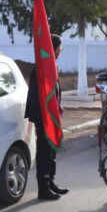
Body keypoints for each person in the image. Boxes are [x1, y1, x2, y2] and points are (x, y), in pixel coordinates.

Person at [25, 34, 69, 200]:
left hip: (51, 115)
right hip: (43, 117)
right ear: (53, 49)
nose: (60, 51)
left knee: (52, 149)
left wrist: (58, 106)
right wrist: (49, 113)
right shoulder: (40, 68)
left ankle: (50, 182)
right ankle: (43, 188)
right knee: (44, 151)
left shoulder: (52, 65)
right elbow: (39, 97)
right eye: (59, 48)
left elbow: (53, 92)